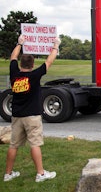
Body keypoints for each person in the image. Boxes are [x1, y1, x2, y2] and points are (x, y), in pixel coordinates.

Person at [4, 34, 60, 182]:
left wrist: (19, 43)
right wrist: (55, 46)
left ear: (21, 63)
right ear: (33, 64)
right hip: (32, 116)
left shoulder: (14, 73)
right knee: (35, 144)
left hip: (17, 115)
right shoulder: (35, 75)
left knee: (13, 145)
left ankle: (8, 174)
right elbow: (49, 61)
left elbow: (12, 57)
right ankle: (40, 174)